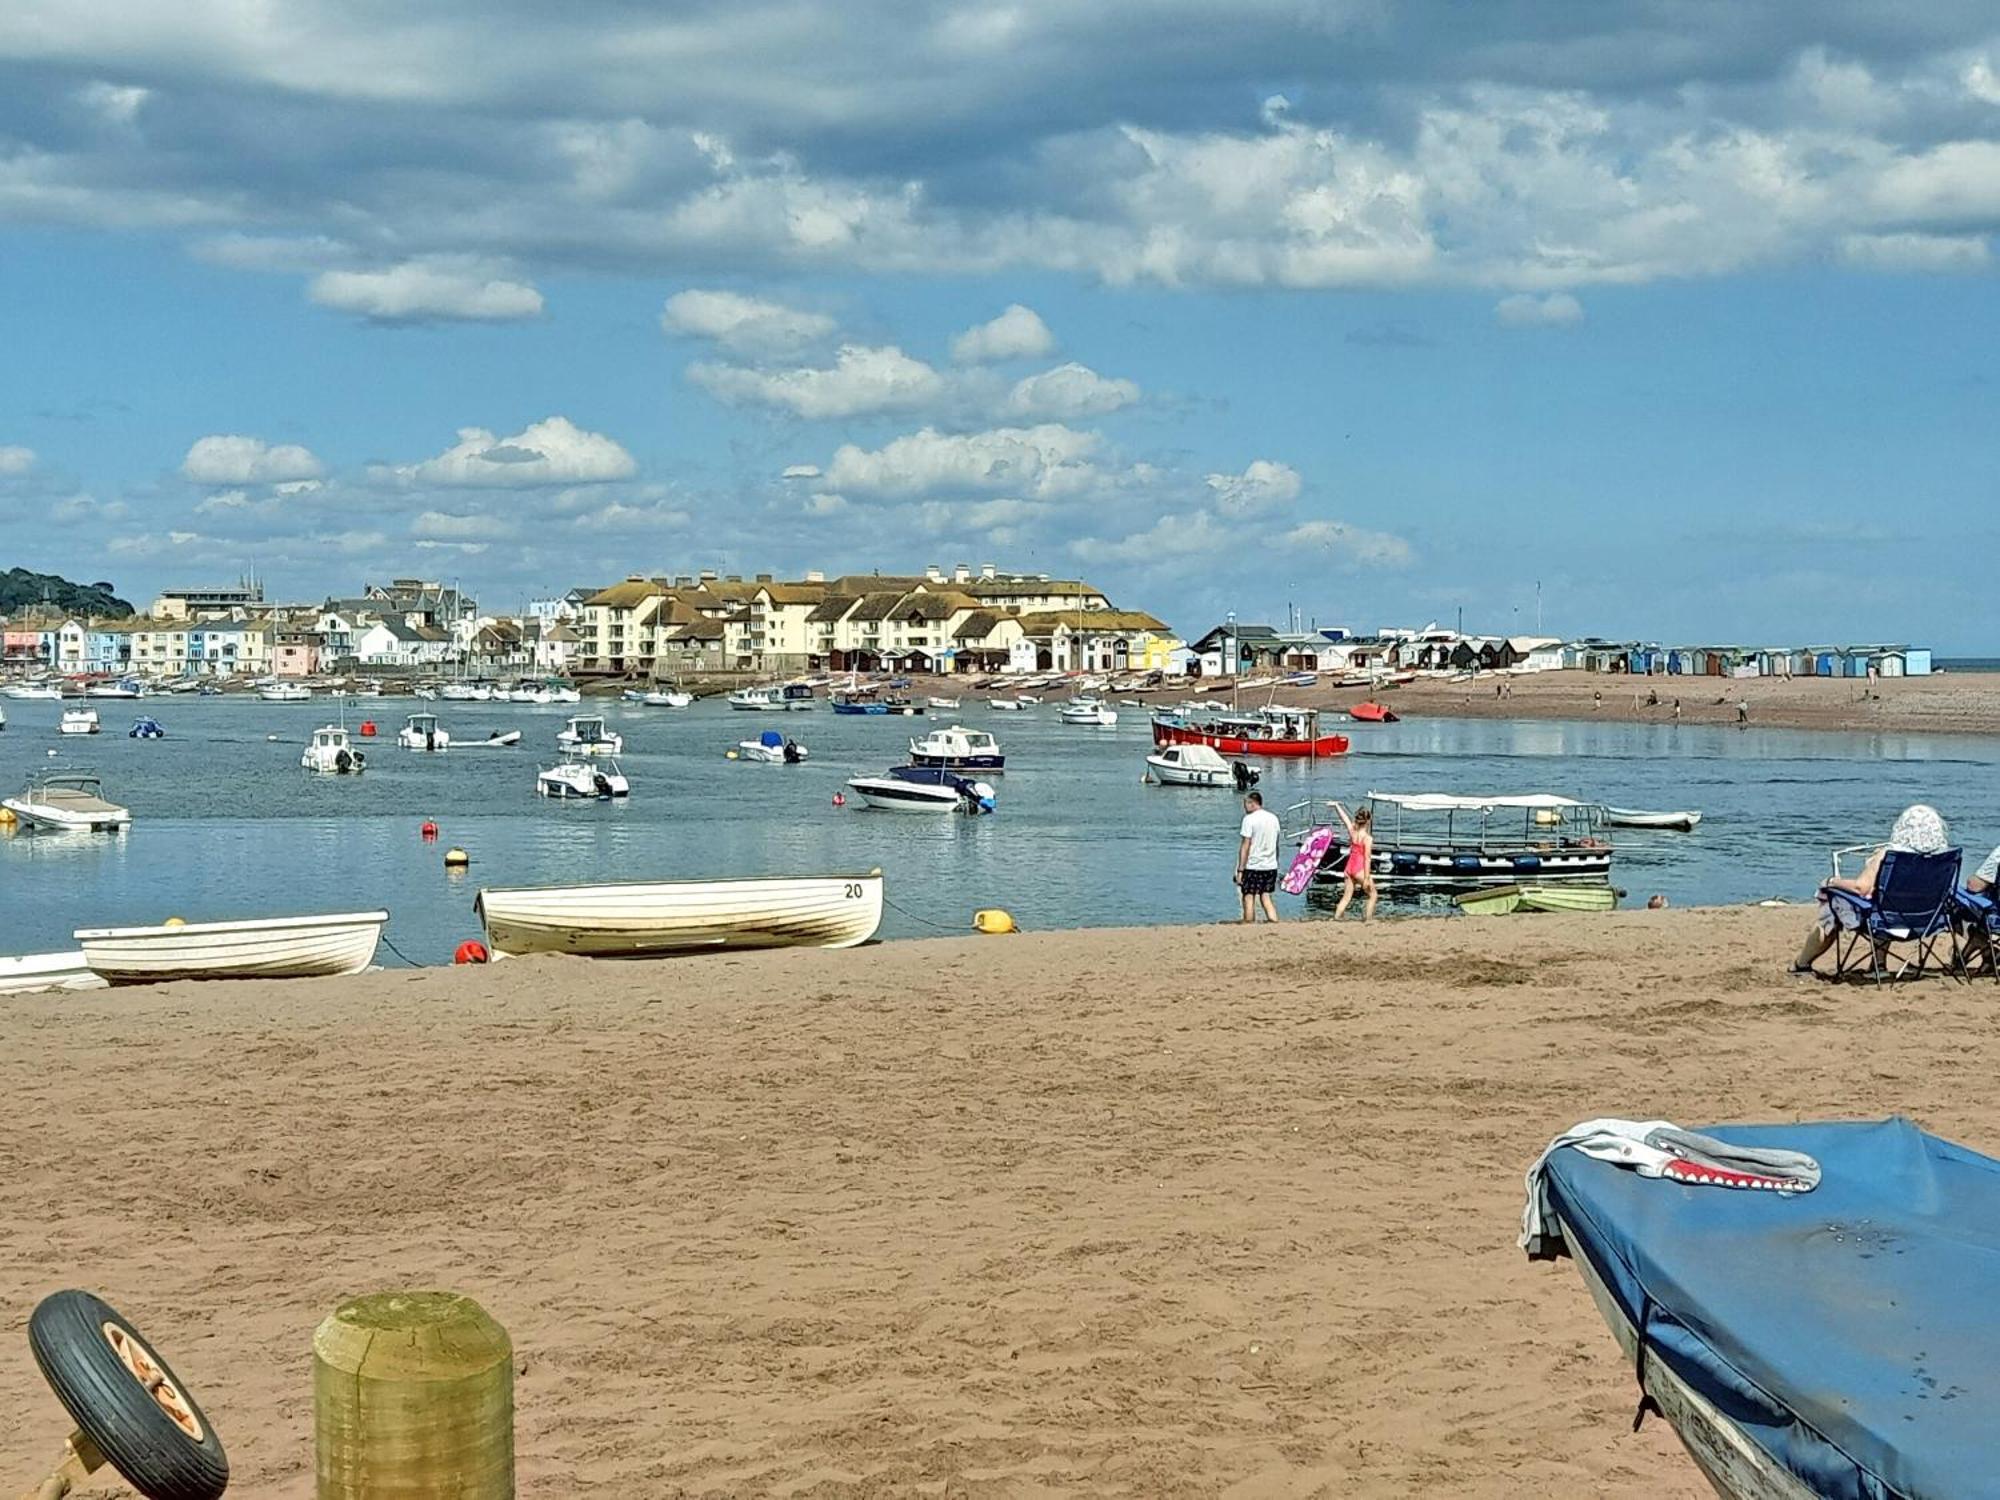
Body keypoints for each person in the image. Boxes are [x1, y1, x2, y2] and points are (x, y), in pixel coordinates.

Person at [1792, 804, 1948, 974]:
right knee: (1886, 902)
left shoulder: (1889, 854)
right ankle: (1878, 965)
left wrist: (1832, 882)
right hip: (1927, 921)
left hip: (1886, 922)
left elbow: (1861, 887)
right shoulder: (1943, 856)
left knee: (1834, 905)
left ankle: (1802, 964)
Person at [1234, 790, 1281, 924]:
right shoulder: (1274, 818)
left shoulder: (1249, 820)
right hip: (1270, 865)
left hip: (1253, 865)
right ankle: (1274, 921)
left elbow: (1246, 845)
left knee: (1249, 896)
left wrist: (1240, 870)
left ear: (1252, 803)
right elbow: (1276, 844)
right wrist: (1276, 862)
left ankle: (1248, 922)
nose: (1244, 808)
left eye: (1245, 804)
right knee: (1265, 896)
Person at [1328, 800, 1379, 921]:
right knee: (1373, 895)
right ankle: (1368, 919)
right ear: (1368, 821)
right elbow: (1367, 858)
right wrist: (1366, 878)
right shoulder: (1367, 838)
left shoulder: (1353, 832)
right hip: (1359, 869)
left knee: (1346, 897)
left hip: (1349, 867)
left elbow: (1344, 818)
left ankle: (1336, 917)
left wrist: (1337, 806)